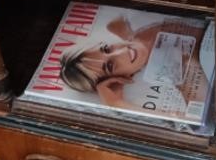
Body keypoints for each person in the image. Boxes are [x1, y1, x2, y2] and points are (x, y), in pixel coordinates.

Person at [60, 15, 207, 110]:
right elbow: (199, 122)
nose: (122, 52)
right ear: (116, 80)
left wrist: (128, 34)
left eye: (106, 48)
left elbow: (114, 22)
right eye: (110, 66)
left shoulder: (123, 26)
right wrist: (117, 104)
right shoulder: (171, 67)